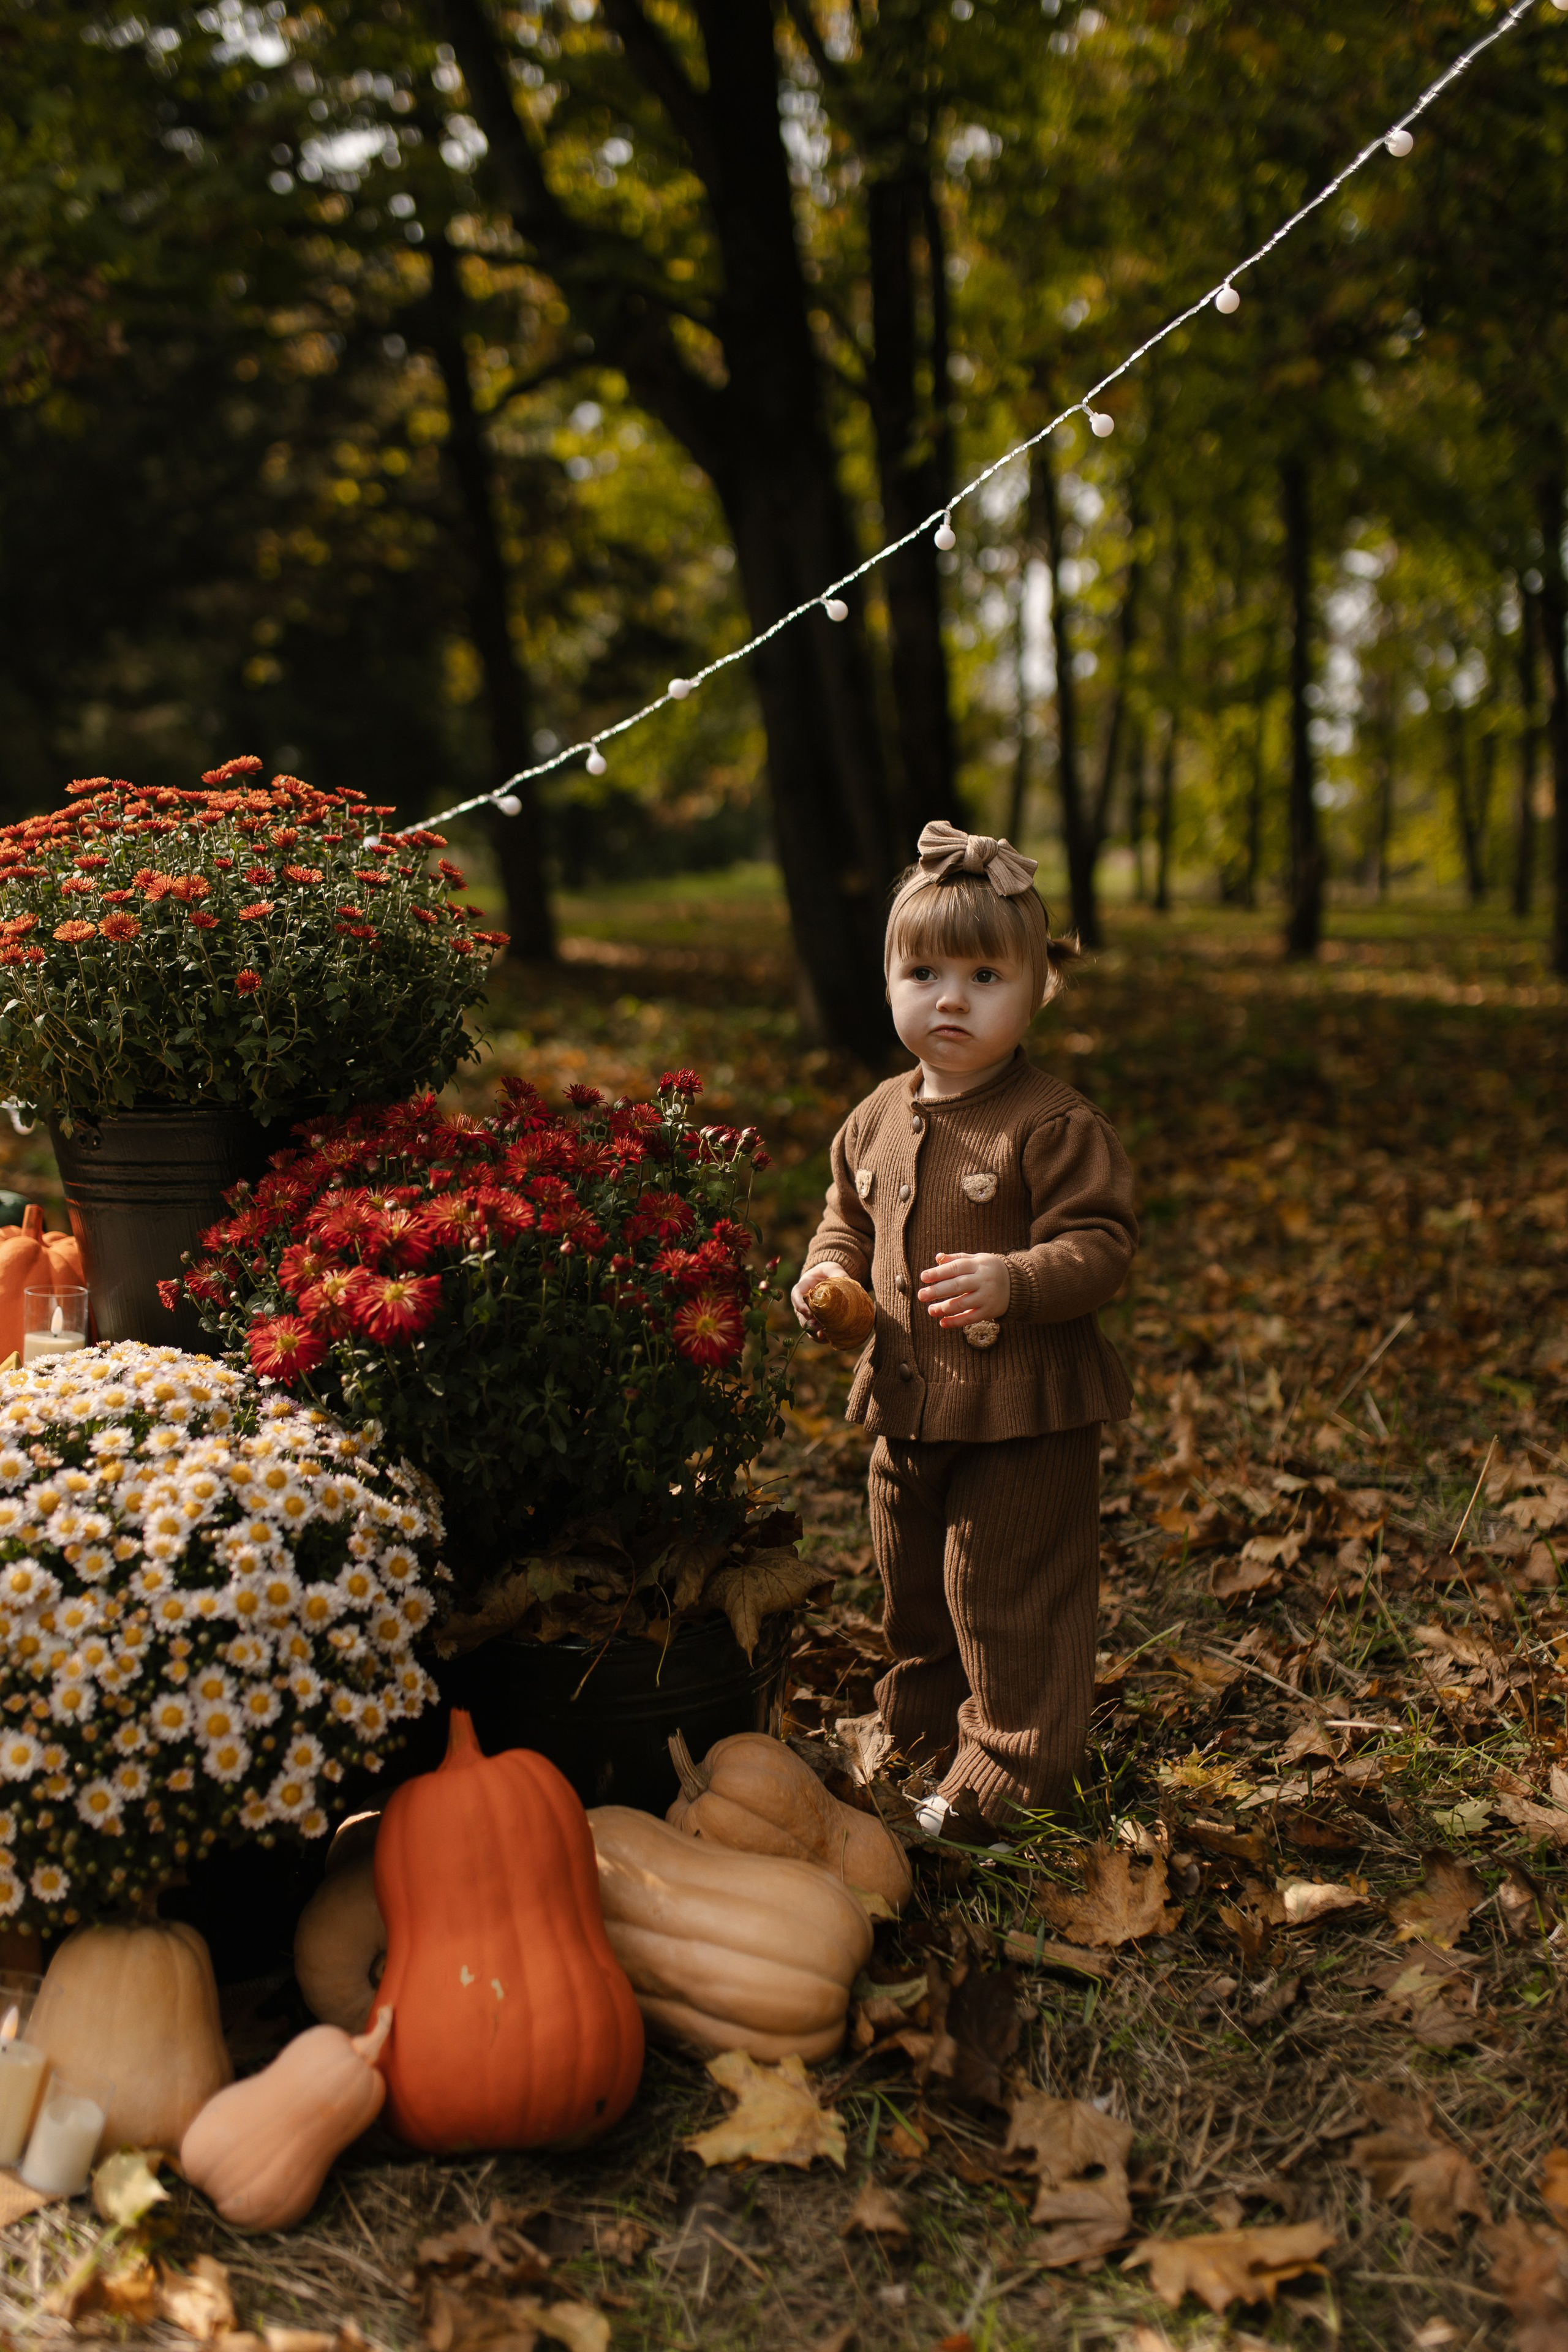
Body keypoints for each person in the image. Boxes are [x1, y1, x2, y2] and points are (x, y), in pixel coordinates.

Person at [791, 820, 1137, 1837]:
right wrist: (824, 1275)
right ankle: (926, 1730)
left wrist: (1020, 1278)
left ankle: (1016, 1771)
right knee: (912, 1585)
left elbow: (1102, 1243)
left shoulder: (1052, 1123)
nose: (951, 998)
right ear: (890, 978)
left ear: (1039, 990)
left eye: (986, 975)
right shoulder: (875, 1117)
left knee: (1004, 1590)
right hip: (910, 1402)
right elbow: (843, 1218)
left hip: (1025, 1410)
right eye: (925, 971)